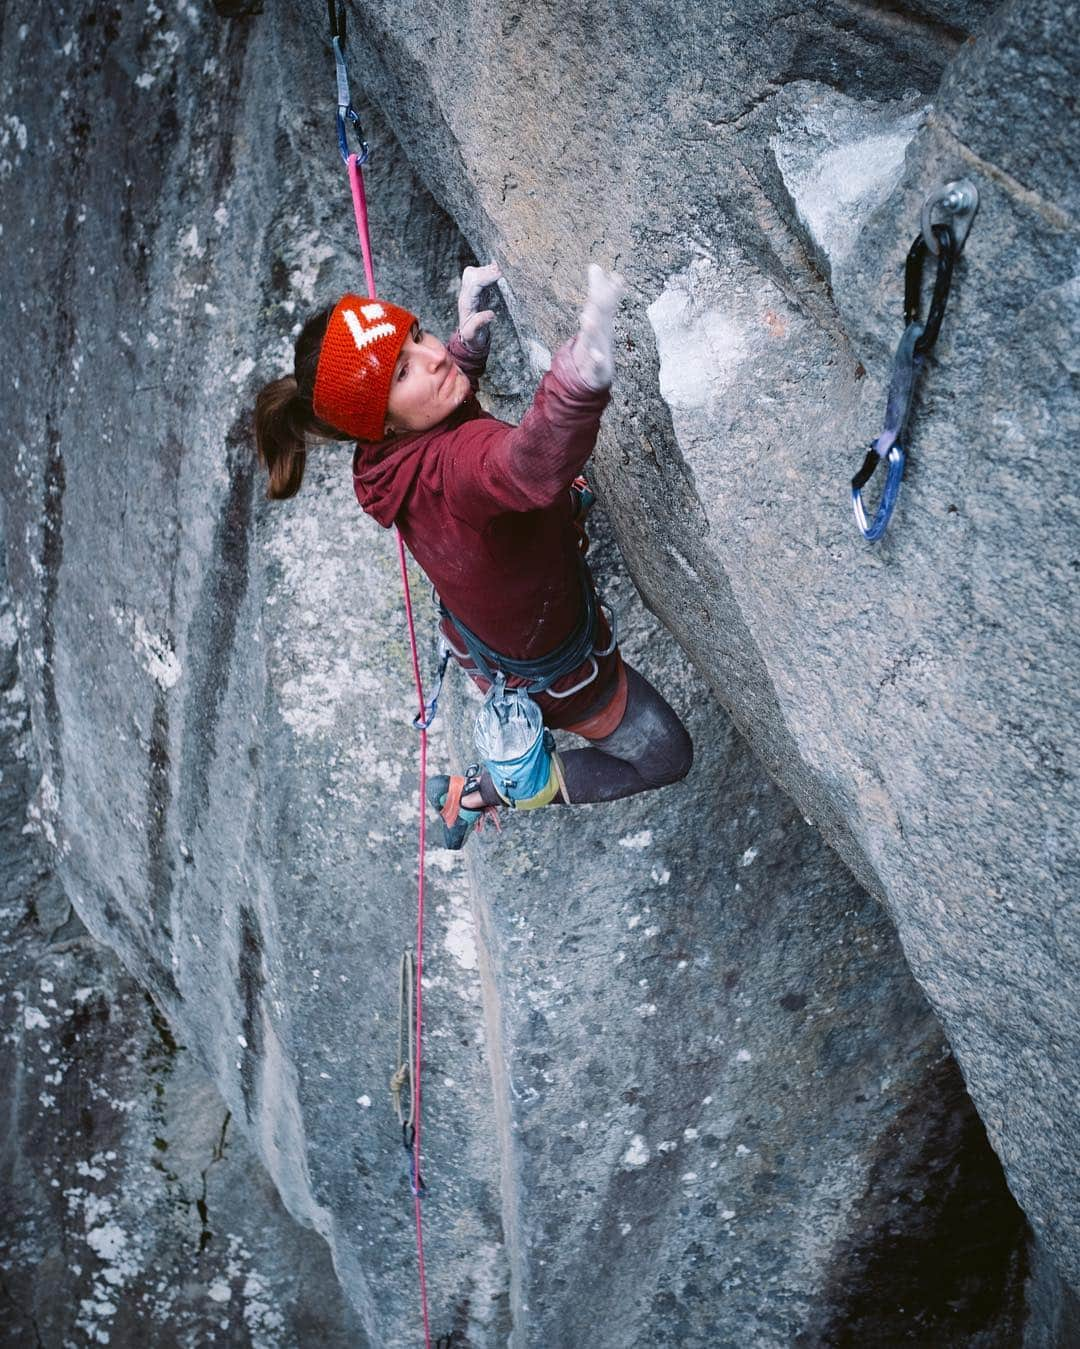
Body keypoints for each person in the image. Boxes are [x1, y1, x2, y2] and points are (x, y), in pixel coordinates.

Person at [254, 261, 692, 847]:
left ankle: (490, 783)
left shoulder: (381, 461)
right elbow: (521, 465)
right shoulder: (453, 470)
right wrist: (578, 382)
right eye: (404, 372)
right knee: (666, 757)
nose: (433, 356)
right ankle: (502, 789)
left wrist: (464, 351)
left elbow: (438, 425)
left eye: (416, 336)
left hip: (492, 644)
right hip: (559, 672)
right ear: (379, 423)